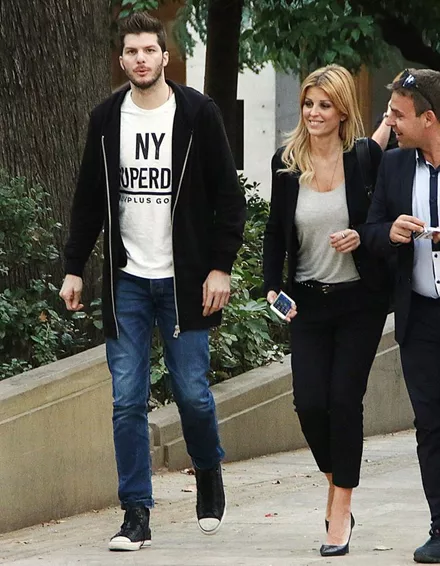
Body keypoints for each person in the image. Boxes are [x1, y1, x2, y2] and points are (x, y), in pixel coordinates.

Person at [59, 11, 246, 552]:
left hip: (185, 283)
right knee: (126, 401)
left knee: (192, 395)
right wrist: (74, 267)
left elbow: (229, 198)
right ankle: (136, 513)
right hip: (129, 283)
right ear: (121, 60)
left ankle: (207, 468)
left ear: (165, 56)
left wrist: (220, 266)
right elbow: (88, 200)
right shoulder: (106, 118)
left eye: (149, 50)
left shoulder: (197, 113)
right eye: (131, 51)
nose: (141, 59)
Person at [263, 64, 390, 557]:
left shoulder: (363, 159)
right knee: (310, 404)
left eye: (324, 105)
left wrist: (362, 236)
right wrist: (272, 287)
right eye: (308, 104)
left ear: (342, 111)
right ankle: (337, 480)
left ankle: (341, 508)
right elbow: (275, 232)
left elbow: (379, 221)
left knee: (343, 400)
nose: (314, 113)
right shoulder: (286, 163)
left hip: (360, 301)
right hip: (308, 302)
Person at [362, 68, 440, 564]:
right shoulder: (393, 165)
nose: (389, 122)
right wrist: (389, 232)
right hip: (421, 317)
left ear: (429, 118)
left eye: (398, 114)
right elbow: (370, 229)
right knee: (430, 424)